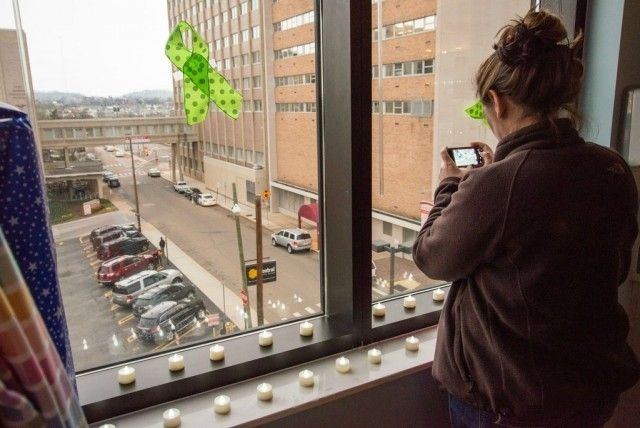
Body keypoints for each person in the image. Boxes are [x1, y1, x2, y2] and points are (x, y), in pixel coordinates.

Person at [412, 9, 639, 428]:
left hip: (513, 406)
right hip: (590, 391)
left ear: (497, 101)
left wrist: (450, 184)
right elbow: (614, 266)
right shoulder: (612, 167)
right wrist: (499, 174)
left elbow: (431, 257)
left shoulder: (500, 184)